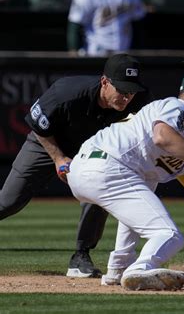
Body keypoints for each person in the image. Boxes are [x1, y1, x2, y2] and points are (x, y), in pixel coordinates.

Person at [67, 70, 184, 291]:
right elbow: (162, 136)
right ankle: (138, 270)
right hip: (107, 167)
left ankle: (119, 269)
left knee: (140, 189)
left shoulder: (181, 142)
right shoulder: (177, 107)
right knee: (169, 235)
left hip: (87, 168)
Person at [0, 53, 153, 278]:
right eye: (121, 90)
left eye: (131, 91)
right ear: (104, 82)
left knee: (101, 187)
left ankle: (81, 256)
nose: (126, 98)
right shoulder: (67, 92)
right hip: (49, 142)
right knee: (9, 201)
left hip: (93, 149)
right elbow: (38, 126)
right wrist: (59, 158)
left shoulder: (138, 101)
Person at [67, 0, 147, 57]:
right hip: (95, 52)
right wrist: (73, 51)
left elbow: (139, 18)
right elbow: (75, 24)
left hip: (123, 51)